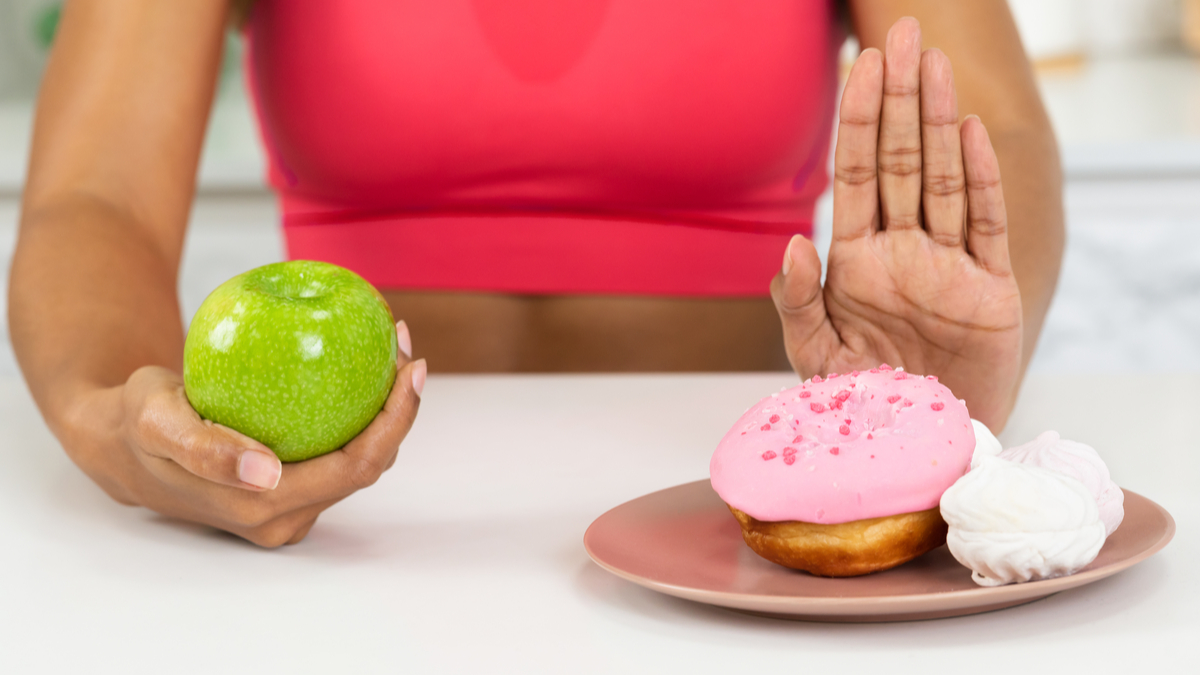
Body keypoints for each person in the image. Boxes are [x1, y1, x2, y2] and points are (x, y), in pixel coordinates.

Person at [8, 1, 1062, 546]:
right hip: (349, 531)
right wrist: (117, 420)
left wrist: (937, 380)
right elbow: (92, 201)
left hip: (738, 527)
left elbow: (992, 126)